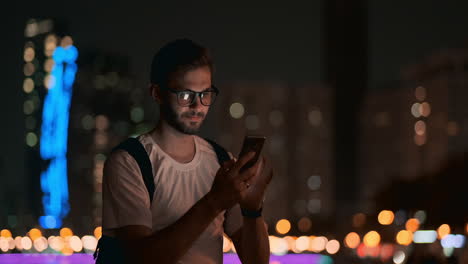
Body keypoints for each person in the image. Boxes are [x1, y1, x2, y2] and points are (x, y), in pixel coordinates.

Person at [101, 38, 273, 264]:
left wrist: (253, 209)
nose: (197, 105)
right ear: (157, 93)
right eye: (185, 95)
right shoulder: (130, 161)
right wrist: (214, 201)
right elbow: (141, 258)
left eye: (206, 94)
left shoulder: (220, 161)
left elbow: (256, 261)